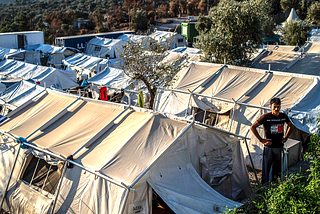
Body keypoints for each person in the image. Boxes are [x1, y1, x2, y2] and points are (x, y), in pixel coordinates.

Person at [250, 97, 294, 184]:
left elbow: (291, 126)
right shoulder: (266, 117)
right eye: (275, 107)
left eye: (278, 107)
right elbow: (253, 127)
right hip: (269, 147)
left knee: (278, 169)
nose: (277, 109)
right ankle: (264, 186)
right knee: (266, 168)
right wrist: (261, 140)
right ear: (271, 107)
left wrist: (286, 137)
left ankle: (275, 185)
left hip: (279, 146)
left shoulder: (283, 116)